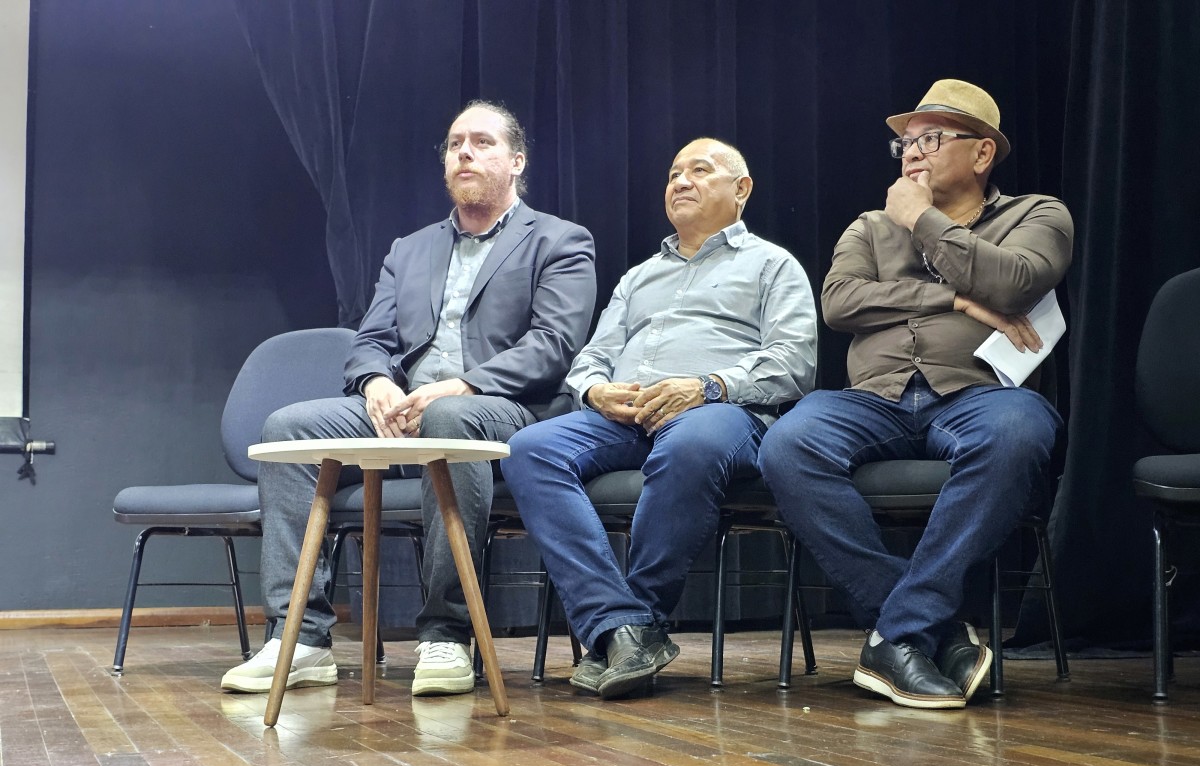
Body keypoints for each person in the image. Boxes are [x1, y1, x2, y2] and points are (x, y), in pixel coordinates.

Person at [222, 101, 596, 696]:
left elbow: (554, 344)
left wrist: (464, 384)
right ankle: (300, 638)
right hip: (405, 407)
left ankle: (447, 633)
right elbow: (370, 340)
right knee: (289, 426)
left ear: (517, 161)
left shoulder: (559, 240)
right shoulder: (410, 249)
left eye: (482, 142)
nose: (464, 152)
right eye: (454, 144)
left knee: (449, 415)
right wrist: (376, 382)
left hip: (503, 409)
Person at [759, 79, 1074, 709]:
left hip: (978, 394)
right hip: (873, 398)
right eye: (904, 143)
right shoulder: (871, 226)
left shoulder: (1037, 215)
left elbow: (1014, 283)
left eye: (931, 139)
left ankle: (899, 633)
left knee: (1019, 431)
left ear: (982, 154)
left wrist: (921, 219)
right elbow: (840, 302)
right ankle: (929, 628)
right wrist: (954, 299)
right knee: (788, 444)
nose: (912, 153)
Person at [501, 138, 817, 699]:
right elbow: (591, 358)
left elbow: (794, 363)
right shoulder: (639, 276)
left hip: (720, 412)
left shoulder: (772, 265)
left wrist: (707, 385)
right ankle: (616, 625)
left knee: (690, 442)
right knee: (529, 448)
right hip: (625, 416)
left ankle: (640, 620)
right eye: (673, 174)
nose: (681, 182)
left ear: (741, 189)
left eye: (700, 170)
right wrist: (595, 390)